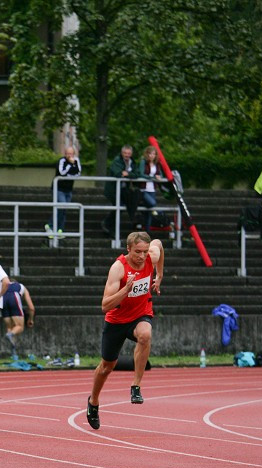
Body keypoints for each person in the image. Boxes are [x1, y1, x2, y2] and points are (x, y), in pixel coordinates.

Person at [85, 231, 165, 430]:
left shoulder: (150, 256)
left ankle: (136, 386)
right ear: (128, 249)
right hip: (117, 321)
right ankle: (93, 401)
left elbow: (159, 244)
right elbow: (105, 305)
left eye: (145, 252)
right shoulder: (118, 268)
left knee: (145, 334)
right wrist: (125, 290)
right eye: (138, 252)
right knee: (106, 367)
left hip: (140, 315)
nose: (142, 256)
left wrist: (159, 274)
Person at [102, 145, 139, 236]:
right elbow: (118, 173)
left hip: (123, 189)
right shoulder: (116, 161)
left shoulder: (132, 162)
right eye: (125, 153)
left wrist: (127, 174)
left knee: (128, 204)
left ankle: (112, 225)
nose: (127, 155)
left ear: (131, 154)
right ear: (122, 153)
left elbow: (137, 174)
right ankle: (108, 224)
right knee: (119, 206)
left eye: (129, 153)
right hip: (113, 190)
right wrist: (129, 174)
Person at [46, 145, 81, 239]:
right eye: (67, 154)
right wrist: (70, 166)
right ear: (65, 154)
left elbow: (78, 173)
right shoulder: (62, 161)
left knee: (64, 209)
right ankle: (50, 226)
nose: (69, 156)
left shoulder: (76, 161)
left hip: (68, 189)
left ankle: (60, 229)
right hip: (59, 188)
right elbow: (62, 172)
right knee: (61, 205)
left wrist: (72, 167)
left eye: (71, 154)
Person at [1, 281, 35, 359]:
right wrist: (31, 319)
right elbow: (31, 308)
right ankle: (10, 334)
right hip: (14, 297)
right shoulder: (21, 286)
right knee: (19, 326)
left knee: (11, 327)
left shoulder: (4, 286)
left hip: (3, 298)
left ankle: (13, 354)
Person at [137, 146, 165, 233]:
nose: (152, 156)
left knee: (148, 212)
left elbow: (161, 175)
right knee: (152, 204)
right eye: (150, 153)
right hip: (144, 189)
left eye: (154, 154)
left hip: (152, 189)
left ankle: (147, 232)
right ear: (147, 154)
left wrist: (158, 177)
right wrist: (152, 177)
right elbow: (141, 174)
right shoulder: (143, 162)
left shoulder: (157, 164)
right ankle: (159, 211)